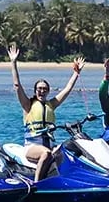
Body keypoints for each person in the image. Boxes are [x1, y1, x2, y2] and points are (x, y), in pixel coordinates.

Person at [9, 45, 86, 182]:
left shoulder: (52, 104)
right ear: (35, 91)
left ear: (48, 91)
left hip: (50, 145)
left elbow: (67, 89)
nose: (42, 91)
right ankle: (37, 183)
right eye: (39, 89)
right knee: (46, 153)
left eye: (44, 89)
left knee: (67, 151)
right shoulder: (28, 105)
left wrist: (76, 73)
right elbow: (17, 85)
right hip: (32, 147)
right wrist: (13, 62)